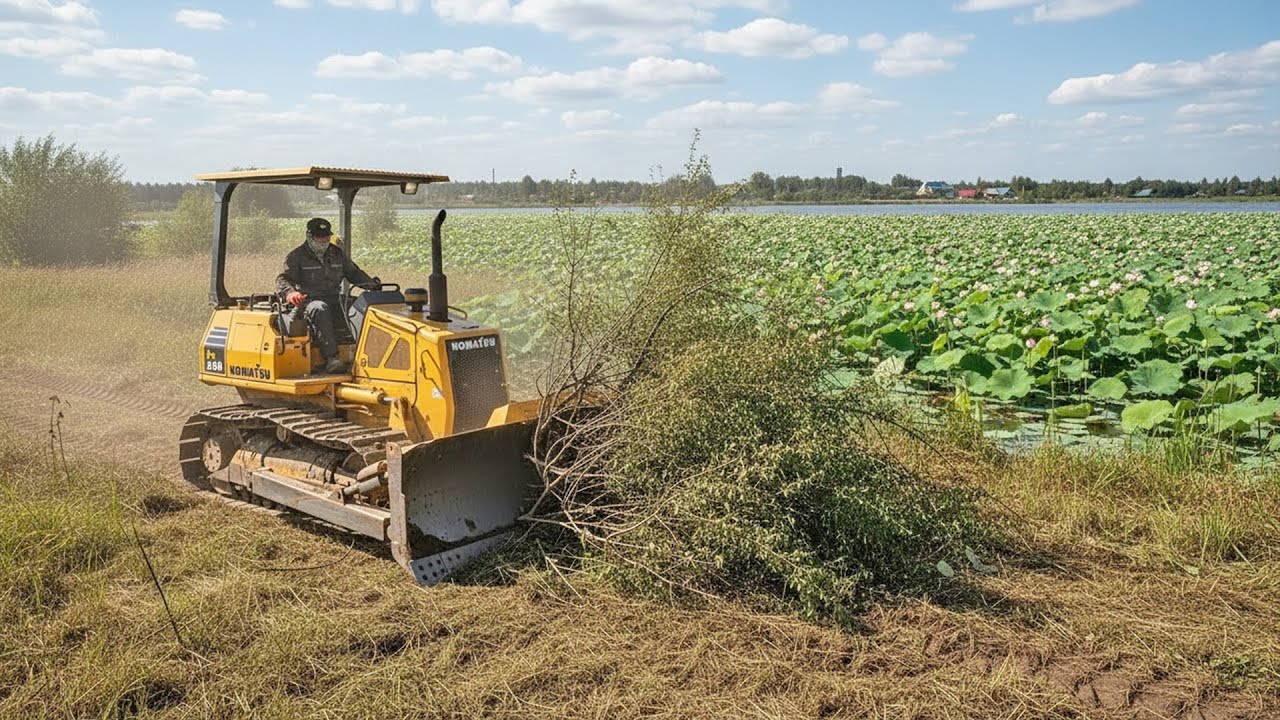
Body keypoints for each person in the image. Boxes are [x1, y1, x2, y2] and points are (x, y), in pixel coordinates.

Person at [276, 217, 378, 374]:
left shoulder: (336, 253)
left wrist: (372, 285)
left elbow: (353, 273)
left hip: (334, 298)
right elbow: (283, 279)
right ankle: (332, 358)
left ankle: (368, 354)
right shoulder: (297, 257)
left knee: (361, 305)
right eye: (320, 237)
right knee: (320, 308)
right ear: (309, 236)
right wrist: (291, 293)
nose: (324, 240)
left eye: (326, 236)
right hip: (308, 302)